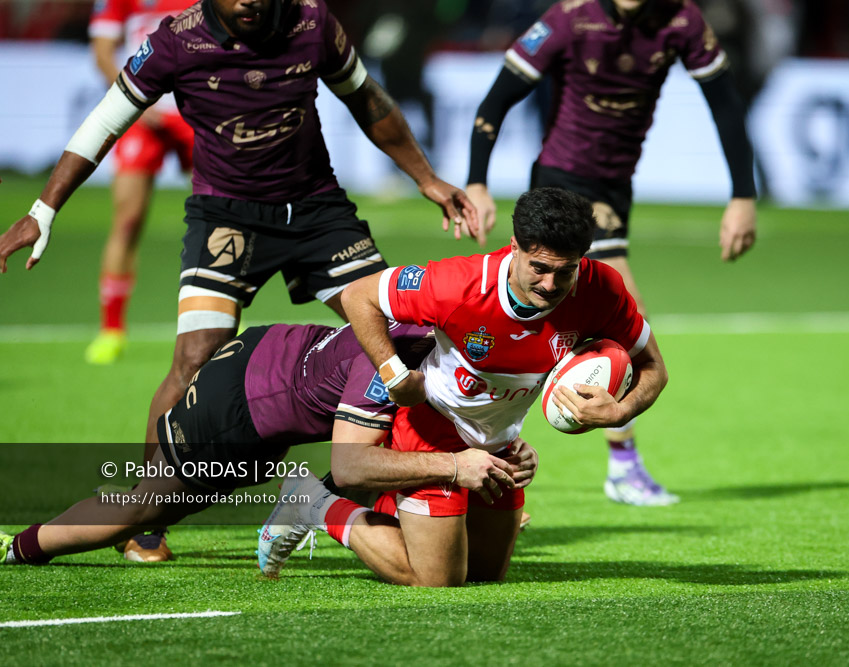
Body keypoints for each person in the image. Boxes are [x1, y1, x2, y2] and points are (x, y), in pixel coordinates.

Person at [0, 0, 477, 559]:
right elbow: (108, 118)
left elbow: (365, 97)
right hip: (226, 218)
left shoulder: (312, 22)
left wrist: (426, 177)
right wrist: (44, 208)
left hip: (317, 213)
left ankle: (418, 496)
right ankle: (146, 511)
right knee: (194, 359)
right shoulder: (177, 40)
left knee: (404, 337)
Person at [256, 187, 669, 587]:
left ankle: (400, 505)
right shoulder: (459, 284)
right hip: (431, 429)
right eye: (539, 268)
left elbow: (653, 368)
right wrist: (393, 374)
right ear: (514, 248)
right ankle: (314, 504)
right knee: (437, 578)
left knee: (486, 573)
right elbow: (358, 295)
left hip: (498, 444)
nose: (550, 284)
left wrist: (618, 412)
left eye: (566, 271)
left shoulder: (603, 289)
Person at [464, 0, 758, 506]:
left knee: (545, 325)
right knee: (625, 321)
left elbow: (726, 102)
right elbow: (499, 96)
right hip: (563, 182)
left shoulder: (681, 21)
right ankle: (620, 467)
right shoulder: (568, 16)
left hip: (616, 187)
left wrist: (743, 195)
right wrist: (476, 181)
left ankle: (486, 454)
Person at [0, 321, 536, 566]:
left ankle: (308, 501)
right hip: (239, 406)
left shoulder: (446, 341)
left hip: (271, 351)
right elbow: (353, 466)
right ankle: (23, 547)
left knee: (404, 460)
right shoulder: (395, 364)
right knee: (145, 506)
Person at [84, 0, 196, 365]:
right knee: (127, 220)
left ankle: (222, 323)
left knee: (223, 218)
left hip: (196, 112)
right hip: (142, 112)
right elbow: (102, 51)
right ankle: (111, 330)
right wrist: (132, 100)